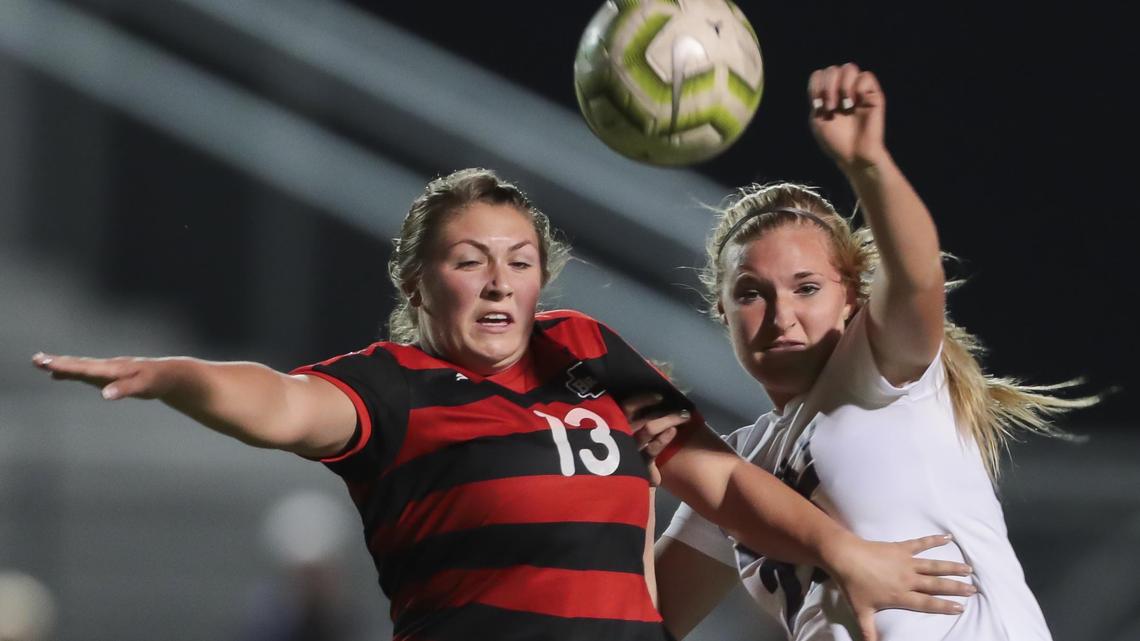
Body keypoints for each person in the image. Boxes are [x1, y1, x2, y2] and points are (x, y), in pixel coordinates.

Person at [32, 167, 972, 641]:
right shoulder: (389, 389)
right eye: (468, 261)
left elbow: (716, 479)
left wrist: (842, 550)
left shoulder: (590, 351)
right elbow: (275, 403)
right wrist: (173, 376)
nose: (498, 283)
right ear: (417, 278)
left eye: (518, 262)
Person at [649, 63, 1094, 641]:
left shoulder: (880, 372)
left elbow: (916, 277)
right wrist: (625, 484)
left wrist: (869, 166)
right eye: (752, 294)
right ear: (722, 313)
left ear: (852, 301)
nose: (782, 315)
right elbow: (645, 622)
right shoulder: (741, 461)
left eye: (807, 288)